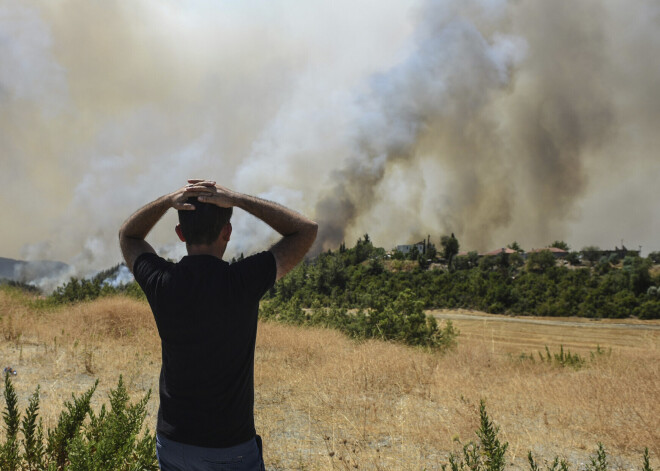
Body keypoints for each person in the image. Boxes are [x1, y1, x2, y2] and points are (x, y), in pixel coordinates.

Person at [119, 179, 318, 470]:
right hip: (228, 447)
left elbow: (128, 236)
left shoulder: (161, 282)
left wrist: (166, 201)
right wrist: (236, 199)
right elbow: (305, 230)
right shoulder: (242, 281)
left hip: (173, 443)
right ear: (227, 232)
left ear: (180, 234)